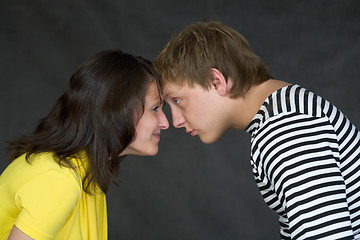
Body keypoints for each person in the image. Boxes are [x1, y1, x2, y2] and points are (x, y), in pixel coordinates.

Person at [155, 21, 360, 239]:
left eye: (178, 100)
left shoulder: (285, 128)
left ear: (216, 82)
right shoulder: (284, 111)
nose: (175, 120)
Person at [0, 50, 169, 240]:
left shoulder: (87, 172)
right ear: (117, 112)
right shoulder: (59, 179)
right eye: (155, 108)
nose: (165, 122)